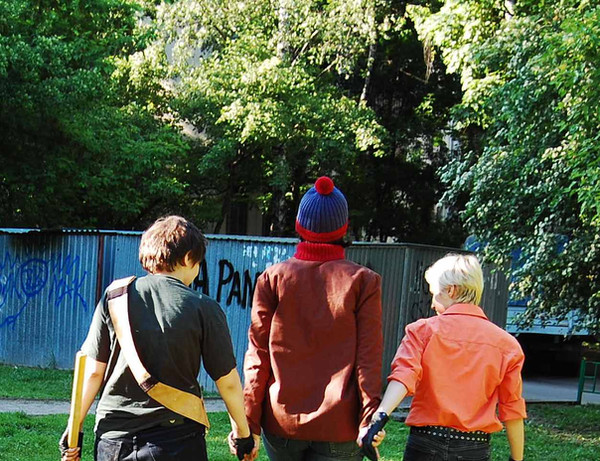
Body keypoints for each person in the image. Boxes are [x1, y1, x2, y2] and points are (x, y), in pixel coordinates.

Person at [60, 215, 253, 461]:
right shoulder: (204, 307)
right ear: (188, 258)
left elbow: (93, 372)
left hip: (114, 439)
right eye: (198, 262)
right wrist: (242, 434)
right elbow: (228, 382)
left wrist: (74, 426)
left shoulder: (115, 297)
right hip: (177, 440)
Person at [243, 176, 384, 461]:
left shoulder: (272, 278)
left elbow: (258, 356)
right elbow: (368, 359)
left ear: (299, 225)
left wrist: (249, 422)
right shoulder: (363, 281)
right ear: (343, 227)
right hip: (340, 426)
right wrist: (368, 419)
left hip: (281, 424)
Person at [362, 253, 526, 461]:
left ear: (451, 290)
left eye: (434, 294)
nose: (432, 304)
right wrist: (517, 459)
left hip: (425, 443)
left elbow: (404, 375)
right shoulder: (507, 345)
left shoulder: (422, 331)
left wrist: (380, 416)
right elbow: (512, 408)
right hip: (473, 448)